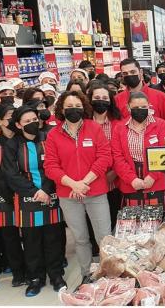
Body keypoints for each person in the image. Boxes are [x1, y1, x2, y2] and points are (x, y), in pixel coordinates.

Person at [44, 91, 112, 286]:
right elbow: (50, 166)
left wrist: (85, 182)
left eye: (77, 105)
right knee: (81, 239)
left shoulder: (94, 128)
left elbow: (104, 157)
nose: (74, 109)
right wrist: (73, 184)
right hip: (69, 194)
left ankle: (109, 275)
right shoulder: (53, 135)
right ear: (61, 110)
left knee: (104, 237)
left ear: (84, 107)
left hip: (96, 191)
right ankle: (87, 275)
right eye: (69, 106)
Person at [2, 106, 66, 296]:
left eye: (34, 119)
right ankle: (35, 278)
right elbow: (11, 174)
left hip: (51, 194)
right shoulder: (12, 145)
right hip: (27, 199)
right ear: (18, 125)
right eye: (26, 121)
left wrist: (46, 189)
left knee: (53, 238)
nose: (32, 123)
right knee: (31, 241)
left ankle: (56, 275)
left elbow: (55, 165)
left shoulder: (49, 138)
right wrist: (34, 191)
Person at [0, 104, 27, 288]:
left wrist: (24, 189)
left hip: (26, 193)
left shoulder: (23, 139)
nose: (13, 119)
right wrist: (10, 194)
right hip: (4, 197)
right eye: (10, 116)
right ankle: (18, 273)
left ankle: (33, 269)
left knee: (29, 235)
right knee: (10, 237)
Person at [111, 92, 165, 208]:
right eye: (136, 107)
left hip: (157, 180)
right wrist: (131, 179)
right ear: (128, 108)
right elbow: (117, 157)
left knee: (159, 220)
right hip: (130, 182)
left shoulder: (161, 125)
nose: (140, 110)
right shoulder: (119, 128)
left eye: (144, 107)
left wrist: (153, 176)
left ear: (149, 106)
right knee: (133, 221)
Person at [87, 81, 123, 229]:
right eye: (97, 97)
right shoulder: (84, 123)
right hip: (91, 180)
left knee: (114, 217)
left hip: (114, 180)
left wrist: (114, 172)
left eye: (105, 97)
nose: (101, 101)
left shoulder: (118, 123)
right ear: (90, 100)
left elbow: (122, 152)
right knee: (93, 220)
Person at [115, 58, 165, 127]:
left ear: (141, 72)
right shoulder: (117, 100)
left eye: (133, 72)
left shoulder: (159, 96)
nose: (129, 75)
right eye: (125, 73)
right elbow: (115, 126)